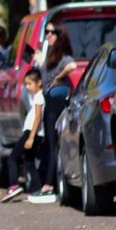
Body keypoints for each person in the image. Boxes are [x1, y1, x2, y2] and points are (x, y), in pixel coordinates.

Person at [30, 21, 76, 203]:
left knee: (53, 143)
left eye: (52, 32)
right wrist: (40, 62)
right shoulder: (50, 55)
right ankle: (50, 183)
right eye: (46, 32)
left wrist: (59, 76)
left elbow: (72, 66)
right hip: (48, 102)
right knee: (49, 142)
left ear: (59, 35)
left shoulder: (63, 56)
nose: (48, 35)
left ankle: (49, 185)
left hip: (57, 103)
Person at [2, 69, 45, 202]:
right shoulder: (37, 96)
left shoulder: (39, 96)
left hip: (31, 133)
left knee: (12, 158)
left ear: (39, 83)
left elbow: (38, 117)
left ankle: (14, 185)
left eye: (30, 84)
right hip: (34, 133)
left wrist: (31, 137)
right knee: (29, 161)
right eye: (26, 84)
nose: (27, 87)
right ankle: (37, 189)